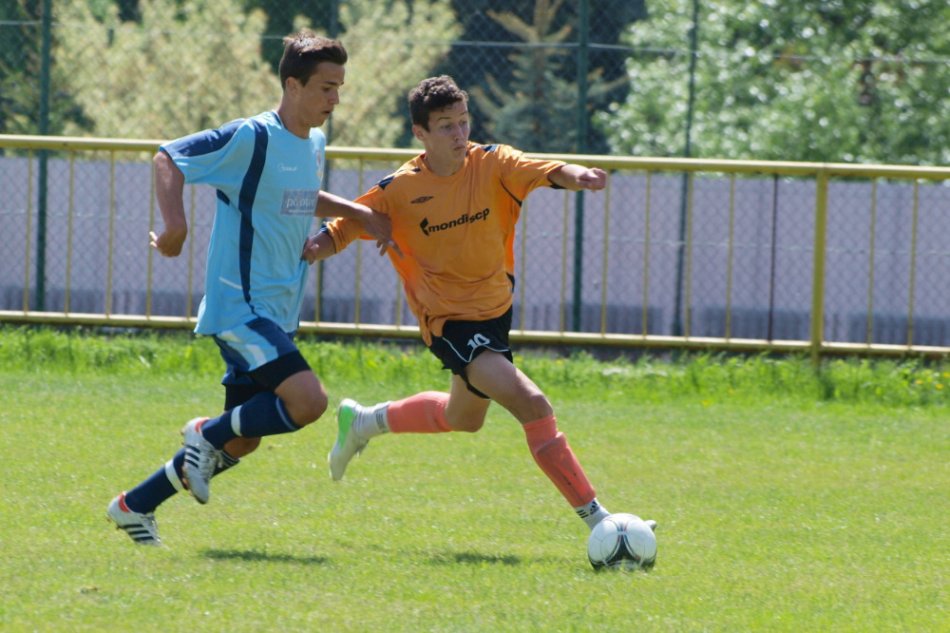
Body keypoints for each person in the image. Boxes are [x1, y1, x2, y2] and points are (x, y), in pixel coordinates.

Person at [303, 75, 654, 535]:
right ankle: (601, 523)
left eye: (463, 122)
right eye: (446, 126)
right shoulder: (400, 189)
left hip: (494, 313)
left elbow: (549, 169)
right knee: (533, 404)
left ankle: (365, 421)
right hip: (448, 322)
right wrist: (308, 250)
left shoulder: (494, 163)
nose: (459, 134)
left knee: (463, 418)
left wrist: (580, 176)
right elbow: (343, 229)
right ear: (420, 133)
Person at [107, 30, 393, 545]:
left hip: (278, 309)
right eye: (326, 87)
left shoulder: (314, 142)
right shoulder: (252, 137)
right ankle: (203, 433)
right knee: (308, 402)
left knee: (243, 439)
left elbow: (298, 196)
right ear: (293, 85)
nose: (335, 99)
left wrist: (357, 213)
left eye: (339, 88)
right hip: (240, 305)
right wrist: (175, 224)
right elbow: (169, 156)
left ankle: (135, 505)